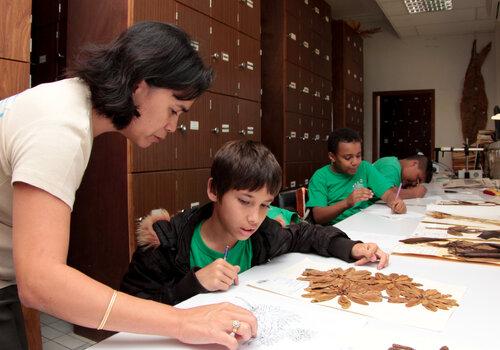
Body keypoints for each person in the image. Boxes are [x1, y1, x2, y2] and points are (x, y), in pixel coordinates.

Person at [0, 21, 256, 350]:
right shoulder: (60, 127)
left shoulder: (65, 103)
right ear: (140, 84)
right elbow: (40, 282)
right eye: (174, 109)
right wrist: (182, 321)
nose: (173, 126)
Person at [120, 140, 389, 305]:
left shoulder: (263, 234)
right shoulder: (165, 244)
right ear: (214, 190)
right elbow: (127, 308)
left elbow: (304, 234)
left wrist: (351, 248)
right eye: (244, 201)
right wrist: (192, 285)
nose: (254, 218)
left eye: (265, 205)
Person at [307, 128, 406, 225]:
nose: (355, 162)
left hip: (367, 222)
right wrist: (347, 202)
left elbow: (387, 193)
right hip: (340, 229)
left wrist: (395, 201)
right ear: (332, 157)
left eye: (358, 155)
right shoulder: (320, 177)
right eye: (348, 157)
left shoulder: (365, 167)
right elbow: (318, 216)